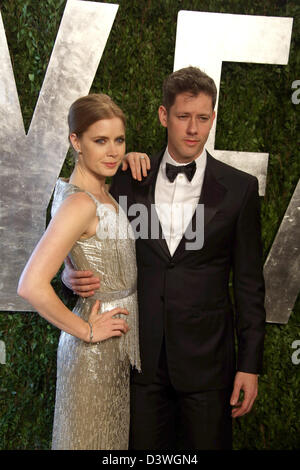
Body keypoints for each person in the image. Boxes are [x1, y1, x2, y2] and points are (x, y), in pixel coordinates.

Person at [63, 67, 266, 450]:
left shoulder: (239, 189)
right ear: (163, 116)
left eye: (202, 118)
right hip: (140, 362)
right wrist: (67, 272)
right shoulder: (126, 177)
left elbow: (249, 285)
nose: (193, 129)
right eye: (183, 117)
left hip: (208, 365)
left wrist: (250, 364)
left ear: (213, 118)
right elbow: (75, 226)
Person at [17, 93, 140, 450]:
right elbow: (31, 285)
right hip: (92, 358)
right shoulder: (80, 202)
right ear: (76, 142)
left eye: (119, 140)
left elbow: (93, 250)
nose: (113, 151)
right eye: (100, 141)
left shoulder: (96, 190)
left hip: (112, 351)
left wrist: (74, 269)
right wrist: (86, 331)